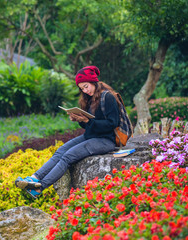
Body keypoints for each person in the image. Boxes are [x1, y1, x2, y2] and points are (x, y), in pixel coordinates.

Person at [15, 65, 121, 199]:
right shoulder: (89, 99)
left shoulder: (108, 97)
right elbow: (89, 126)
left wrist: (88, 122)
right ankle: (34, 178)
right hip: (91, 136)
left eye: (86, 86)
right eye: (81, 88)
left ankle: (39, 188)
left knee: (68, 156)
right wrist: (79, 119)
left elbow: (112, 124)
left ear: (93, 82)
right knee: (60, 151)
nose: (85, 90)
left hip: (107, 140)